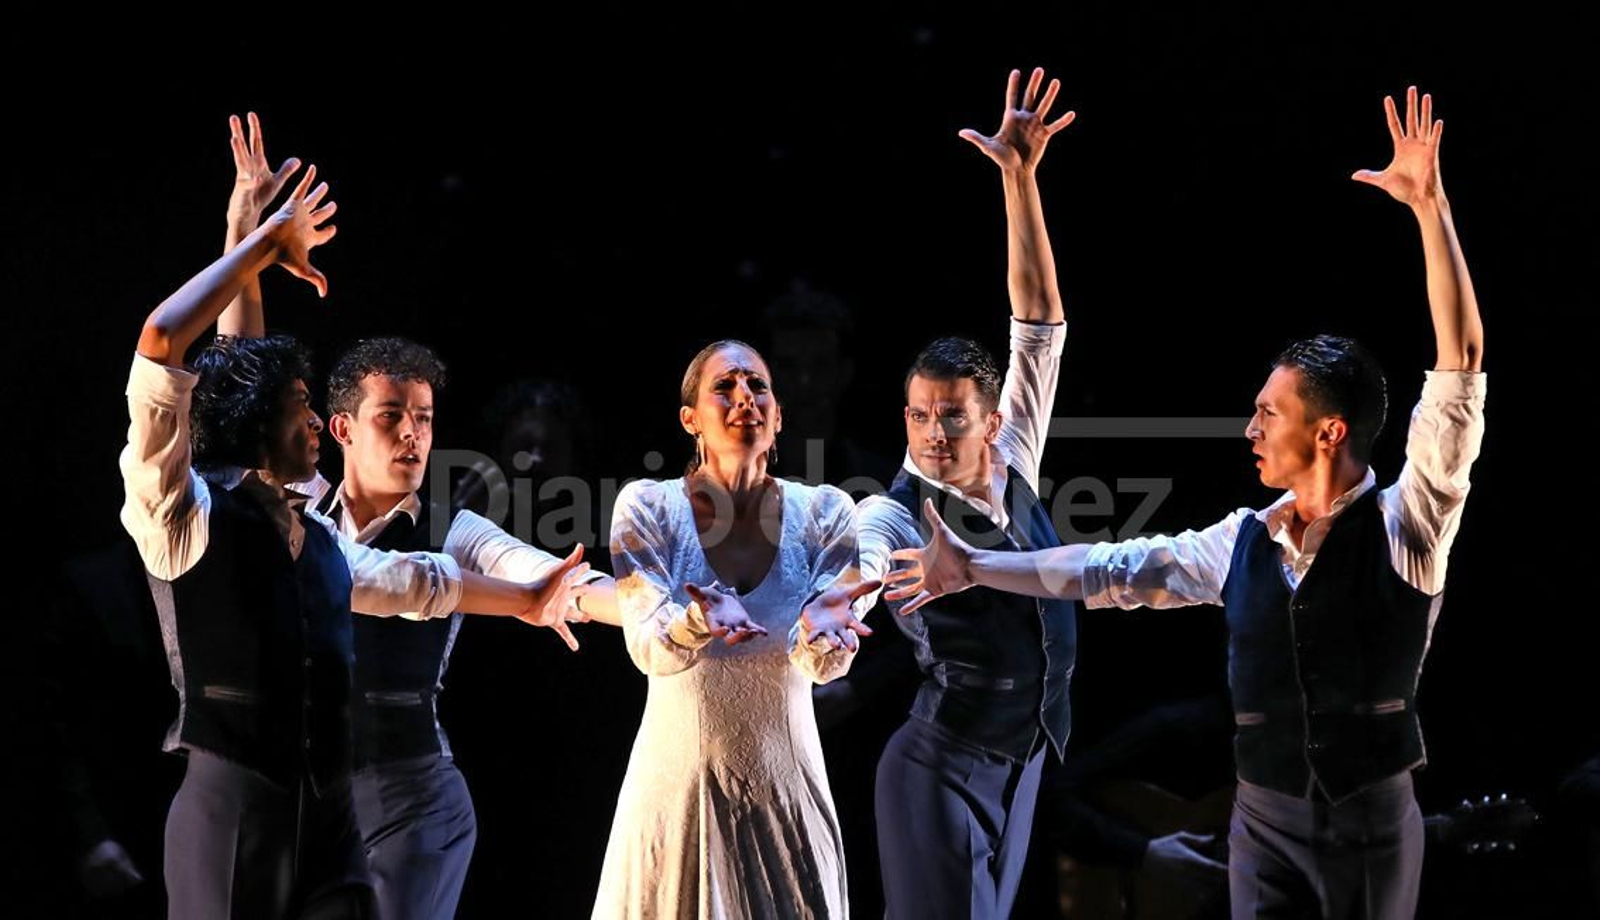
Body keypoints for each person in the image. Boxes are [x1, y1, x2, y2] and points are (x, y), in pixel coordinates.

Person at [885, 86, 1487, 920]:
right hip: (1259, 823)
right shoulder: (1241, 541)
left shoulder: (1406, 530)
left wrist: (1431, 206)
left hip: (1370, 824)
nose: (1248, 429)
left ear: (1328, 432)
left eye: (1268, 414)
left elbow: (1458, 367)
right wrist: (976, 567)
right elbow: (1109, 570)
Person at [121, 153, 590, 919]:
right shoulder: (180, 513)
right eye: (302, 408)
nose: (316, 423)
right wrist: (259, 243)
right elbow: (162, 340)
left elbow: (418, 584)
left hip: (332, 818)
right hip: (232, 807)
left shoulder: (315, 537)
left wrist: (532, 598)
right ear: (264, 429)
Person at [853, 66, 1077, 919]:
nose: (931, 435)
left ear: (991, 422)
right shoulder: (893, 507)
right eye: (917, 416)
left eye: (950, 418)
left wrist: (1019, 180)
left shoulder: (1016, 451)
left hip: (1023, 761)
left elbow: (1040, 320)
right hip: (936, 767)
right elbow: (867, 556)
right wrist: (840, 602)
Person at [591, 338, 877, 919]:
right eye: (725, 386)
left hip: (786, 792)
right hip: (678, 793)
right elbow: (648, 645)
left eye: (758, 385)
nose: (744, 396)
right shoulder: (648, 509)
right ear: (690, 419)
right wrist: (697, 621)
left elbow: (821, 664)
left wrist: (824, 634)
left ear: (778, 417)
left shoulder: (826, 514)